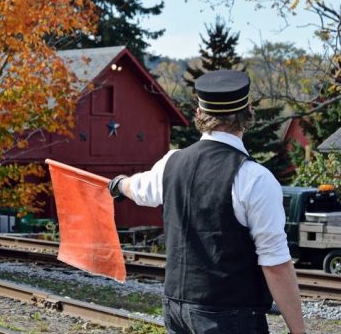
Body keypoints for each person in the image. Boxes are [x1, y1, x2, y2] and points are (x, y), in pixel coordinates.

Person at [109, 70, 305, 334]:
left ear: (199, 114)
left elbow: (140, 189)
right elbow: (276, 265)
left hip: (176, 307)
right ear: (248, 112)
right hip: (229, 314)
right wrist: (298, 330)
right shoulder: (255, 179)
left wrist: (120, 184)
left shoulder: (171, 163)